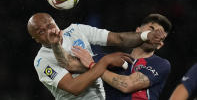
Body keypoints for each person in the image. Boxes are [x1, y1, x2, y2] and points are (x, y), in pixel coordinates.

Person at [27, 12, 165, 100]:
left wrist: (146, 35)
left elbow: (118, 39)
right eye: (41, 31)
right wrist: (104, 62)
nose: (49, 30)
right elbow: (74, 87)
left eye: (50, 24)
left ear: (55, 22)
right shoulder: (41, 61)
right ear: (36, 39)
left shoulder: (77, 30)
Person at [72, 13, 172, 100]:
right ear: (138, 31)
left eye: (159, 35)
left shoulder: (161, 64)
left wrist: (94, 66)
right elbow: (71, 65)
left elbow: (127, 85)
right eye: (151, 29)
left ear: (160, 45)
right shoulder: (112, 59)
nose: (153, 34)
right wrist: (57, 43)